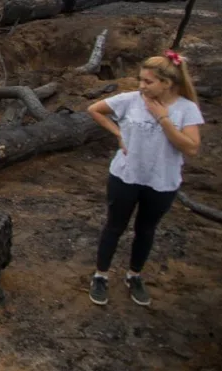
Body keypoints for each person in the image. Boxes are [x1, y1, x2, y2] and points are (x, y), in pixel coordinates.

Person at [86, 50, 203, 307]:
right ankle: (100, 275)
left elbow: (191, 148)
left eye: (148, 82)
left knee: (145, 230)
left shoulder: (186, 109)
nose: (142, 86)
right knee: (114, 226)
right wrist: (118, 133)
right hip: (125, 176)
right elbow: (94, 109)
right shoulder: (130, 100)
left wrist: (163, 119)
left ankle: (134, 275)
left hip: (162, 181)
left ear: (167, 83)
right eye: (141, 80)